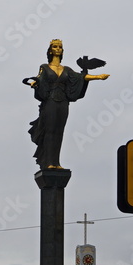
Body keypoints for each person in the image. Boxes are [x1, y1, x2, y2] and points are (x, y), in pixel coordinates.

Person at [27, 39, 109, 170]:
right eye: (55, 46)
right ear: (50, 50)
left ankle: (56, 162)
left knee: (59, 132)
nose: (58, 49)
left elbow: (81, 77)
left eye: (60, 47)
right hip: (50, 102)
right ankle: (48, 162)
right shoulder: (45, 67)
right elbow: (39, 78)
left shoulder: (67, 70)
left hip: (63, 103)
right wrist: (34, 83)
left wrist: (98, 76)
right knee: (50, 131)